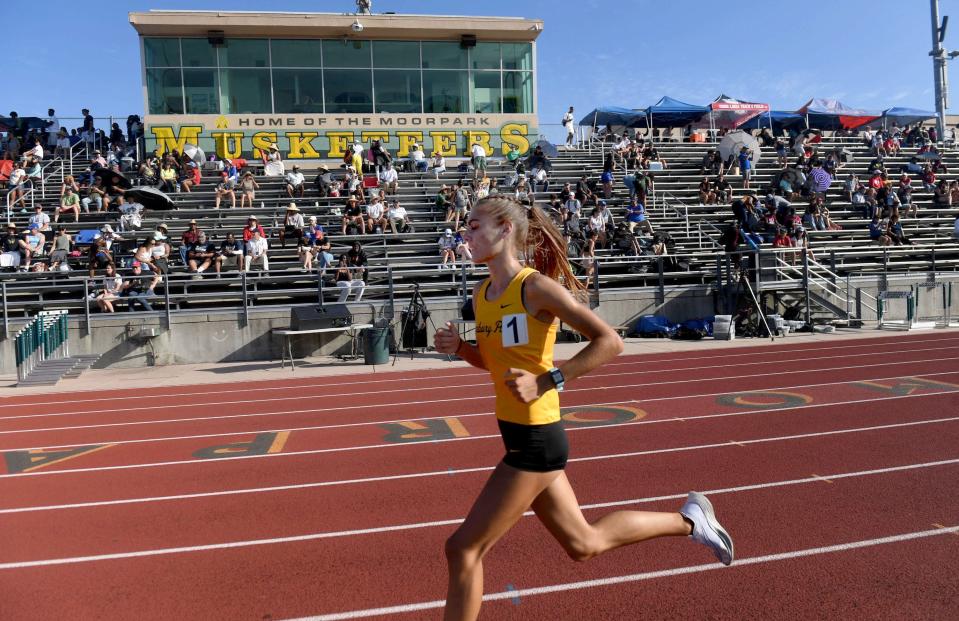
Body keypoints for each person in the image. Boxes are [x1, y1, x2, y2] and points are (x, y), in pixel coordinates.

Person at [432, 197, 734, 620]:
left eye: (475, 226)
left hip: (537, 443)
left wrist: (549, 379)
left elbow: (610, 341)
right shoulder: (483, 294)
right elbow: (496, 363)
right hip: (518, 436)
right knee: (583, 544)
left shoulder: (533, 288)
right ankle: (690, 520)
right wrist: (463, 349)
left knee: (462, 549)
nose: (467, 235)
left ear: (504, 231)